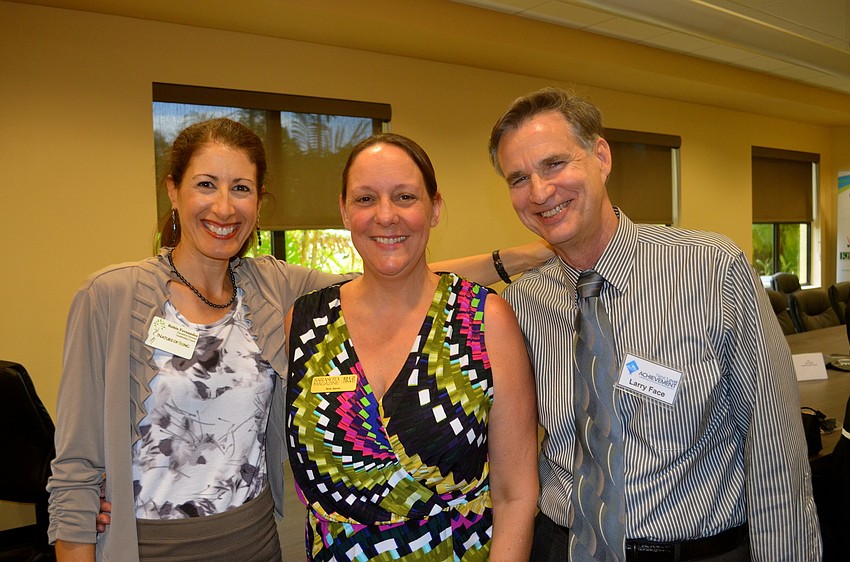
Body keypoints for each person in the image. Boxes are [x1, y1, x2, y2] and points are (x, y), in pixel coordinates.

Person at [47, 118, 550, 562]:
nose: (224, 207)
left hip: (257, 542)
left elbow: (390, 274)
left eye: (241, 188)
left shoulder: (273, 289)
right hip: (149, 546)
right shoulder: (110, 296)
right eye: (206, 184)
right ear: (173, 191)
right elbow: (74, 469)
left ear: (258, 202)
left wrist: (521, 257)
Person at [487, 87, 821, 561]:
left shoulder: (711, 270)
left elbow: (775, 449)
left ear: (600, 156)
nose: (539, 192)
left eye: (554, 164)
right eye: (518, 178)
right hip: (561, 546)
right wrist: (511, 258)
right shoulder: (522, 304)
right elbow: (402, 286)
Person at [284, 133, 539, 560]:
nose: (386, 216)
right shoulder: (306, 321)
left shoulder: (484, 320)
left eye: (404, 197)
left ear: (434, 208)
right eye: (365, 199)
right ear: (344, 211)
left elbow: (516, 495)